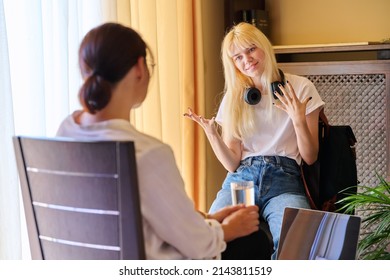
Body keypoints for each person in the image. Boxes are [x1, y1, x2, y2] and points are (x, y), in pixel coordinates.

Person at [56, 22, 259, 260]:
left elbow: (139, 219)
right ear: (140, 68)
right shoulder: (148, 154)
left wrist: (208, 220)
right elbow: (200, 246)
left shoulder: (67, 130)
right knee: (253, 243)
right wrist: (227, 230)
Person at [184, 22, 325, 257]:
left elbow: (310, 157)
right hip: (241, 180)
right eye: (237, 57)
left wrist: (298, 118)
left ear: (263, 46)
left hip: (285, 181)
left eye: (250, 50)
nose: (246, 60)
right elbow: (232, 163)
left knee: (298, 247)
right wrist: (212, 134)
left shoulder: (301, 87)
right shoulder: (234, 97)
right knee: (207, 240)